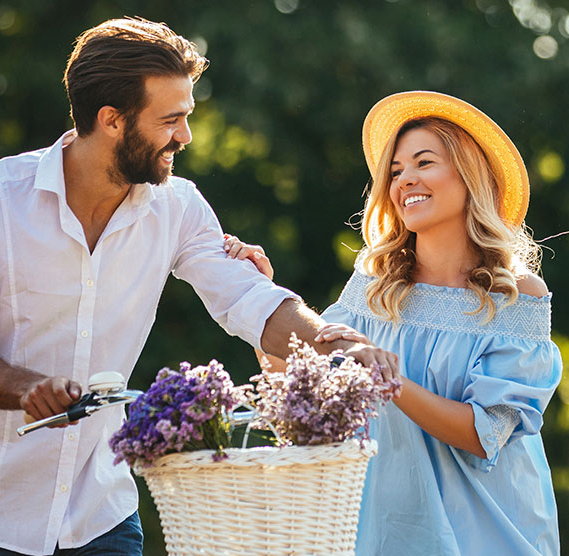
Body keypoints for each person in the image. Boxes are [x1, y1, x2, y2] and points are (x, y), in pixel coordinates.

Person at [0, 18, 397, 556]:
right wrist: (26, 388)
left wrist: (337, 344)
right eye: (171, 120)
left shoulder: (178, 207)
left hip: (98, 515)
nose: (186, 136)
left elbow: (250, 300)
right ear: (111, 120)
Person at [225, 91, 562, 555]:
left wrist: (388, 378)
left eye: (424, 162)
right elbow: (300, 399)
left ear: (470, 175)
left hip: (488, 533)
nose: (406, 180)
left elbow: (486, 435)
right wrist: (265, 302)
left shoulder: (516, 295)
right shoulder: (373, 288)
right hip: (384, 531)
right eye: (396, 171)